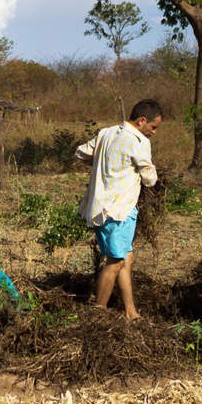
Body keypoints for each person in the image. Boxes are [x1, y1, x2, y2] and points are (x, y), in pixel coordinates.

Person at [76, 98, 162, 320]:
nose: (153, 132)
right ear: (141, 121)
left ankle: (131, 311)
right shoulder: (139, 142)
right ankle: (98, 313)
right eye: (153, 127)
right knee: (116, 262)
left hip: (98, 208)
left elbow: (81, 152)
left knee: (126, 257)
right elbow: (150, 179)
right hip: (120, 210)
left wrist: (102, 163)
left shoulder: (106, 133)